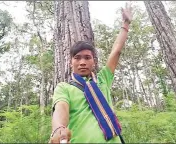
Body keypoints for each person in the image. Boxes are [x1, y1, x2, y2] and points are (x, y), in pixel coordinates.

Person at [49, 2, 133, 143]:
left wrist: (125, 24)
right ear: (71, 62)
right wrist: (59, 129)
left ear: (94, 62)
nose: (82, 62)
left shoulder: (103, 80)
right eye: (77, 58)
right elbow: (61, 108)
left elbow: (116, 51)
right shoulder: (64, 88)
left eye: (87, 58)